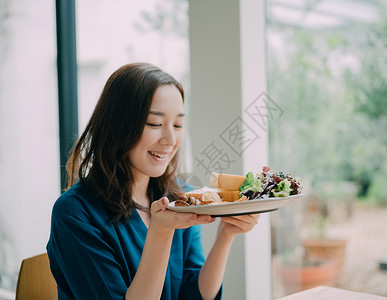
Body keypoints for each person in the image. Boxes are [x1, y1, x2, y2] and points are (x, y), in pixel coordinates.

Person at [46, 63, 260, 300]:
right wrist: (161, 231)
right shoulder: (75, 214)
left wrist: (226, 234)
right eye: (155, 124)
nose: (170, 139)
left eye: (178, 125)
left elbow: (193, 295)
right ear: (119, 125)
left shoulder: (182, 198)